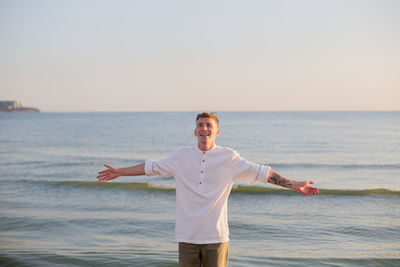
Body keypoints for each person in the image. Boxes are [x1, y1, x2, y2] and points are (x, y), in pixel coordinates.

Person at [97, 112, 319, 267]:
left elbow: (263, 173)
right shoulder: (181, 156)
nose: (204, 129)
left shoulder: (229, 158)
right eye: (200, 125)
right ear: (195, 131)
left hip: (217, 238)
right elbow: (150, 167)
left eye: (208, 125)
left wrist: (294, 184)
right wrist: (120, 171)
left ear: (217, 132)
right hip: (187, 237)